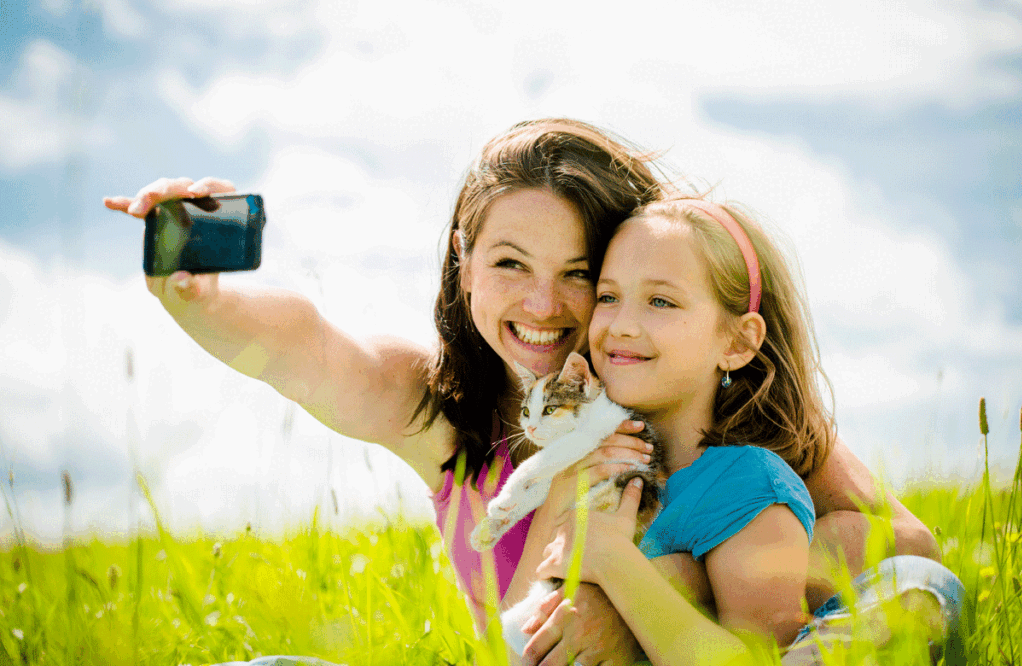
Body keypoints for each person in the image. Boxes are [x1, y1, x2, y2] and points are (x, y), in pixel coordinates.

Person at [105, 119, 940, 666]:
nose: (545, 308)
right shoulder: (438, 402)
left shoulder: (713, 403)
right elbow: (309, 346)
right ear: (463, 260)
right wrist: (198, 292)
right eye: (510, 264)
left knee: (925, 598)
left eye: (582, 276)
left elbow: (904, 542)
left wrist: (664, 583)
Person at [522, 196, 964, 666]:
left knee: (923, 585)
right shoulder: (585, 470)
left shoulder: (745, 478)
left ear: (736, 342)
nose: (622, 324)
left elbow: (758, 650)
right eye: (608, 297)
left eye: (660, 301)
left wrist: (637, 576)